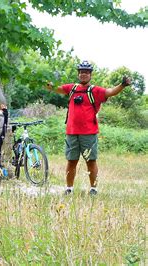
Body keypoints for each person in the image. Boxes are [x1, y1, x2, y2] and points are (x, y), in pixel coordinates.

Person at [46, 60, 131, 195]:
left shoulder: (95, 90)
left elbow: (110, 92)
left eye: (86, 72)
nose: (83, 74)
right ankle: (69, 188)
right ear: (78, 74)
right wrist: (42, 81)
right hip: (72, 132)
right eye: (81, 72)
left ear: (90, 74)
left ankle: (93, 189)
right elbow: (55, 88)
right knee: (71, 161)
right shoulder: (72, 88)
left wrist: (123, 85)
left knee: (91, 161)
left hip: (89, 133)